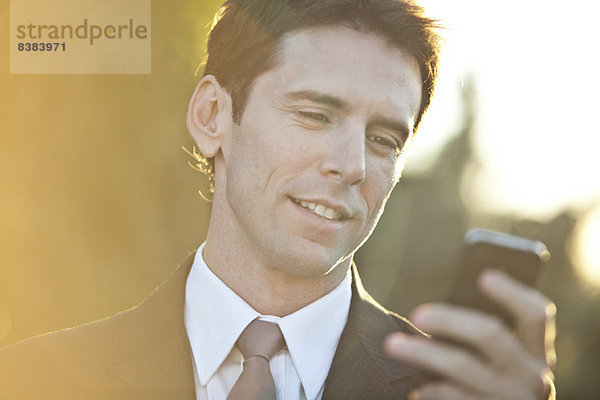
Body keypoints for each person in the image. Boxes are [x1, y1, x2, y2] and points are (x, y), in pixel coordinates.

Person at [0, 0, 556, 399]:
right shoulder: (32, 380)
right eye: (315, 116)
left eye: (384, 138)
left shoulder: (448, 393)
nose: (354, 164)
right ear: (212, 116)